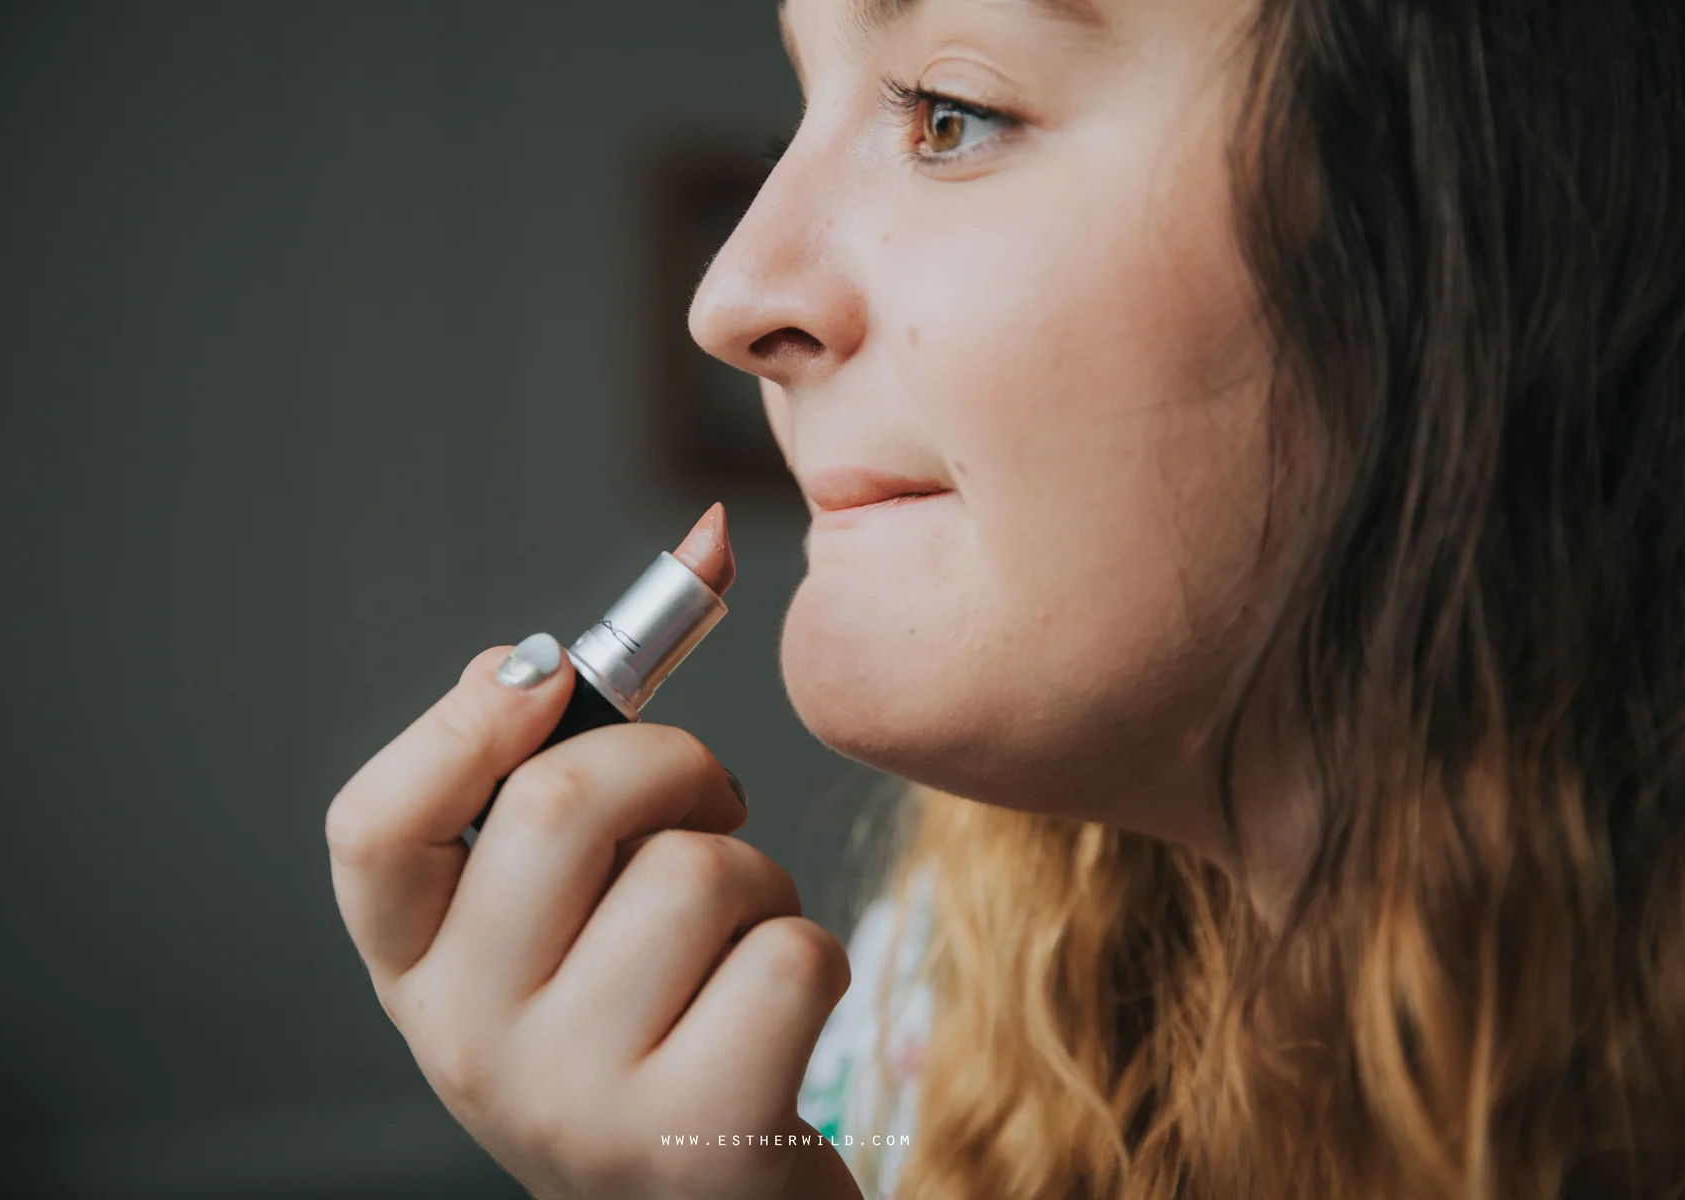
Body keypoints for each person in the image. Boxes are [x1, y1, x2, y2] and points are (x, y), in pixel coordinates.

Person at [325, 0, 1685, 1195]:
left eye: (948, 113)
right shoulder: (933, 1014)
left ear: (1476, 231)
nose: (729, 299)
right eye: (801, 107)